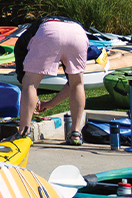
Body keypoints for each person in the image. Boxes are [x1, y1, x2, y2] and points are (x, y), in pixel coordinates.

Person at [17, 15, 90, 143]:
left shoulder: (24, 41)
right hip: (78, 33)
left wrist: (33, 96)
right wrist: (51, 103)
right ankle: (75, 133)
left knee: (30, 83)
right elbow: (71, 85)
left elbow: (26, 79)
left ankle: (23, 132)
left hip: (49, 31)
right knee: (77, 83)